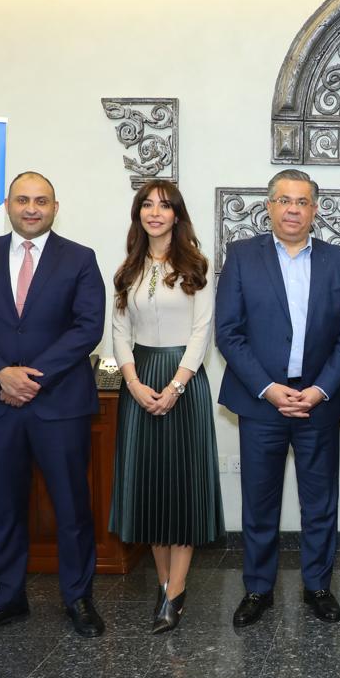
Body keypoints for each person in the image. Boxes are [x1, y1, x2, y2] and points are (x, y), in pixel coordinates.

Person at [0, 171, 106, 638]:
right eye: (22, 200)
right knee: (7, 507)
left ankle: (78, 598)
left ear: (55, 207)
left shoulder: (79, 258)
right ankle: (8, 598)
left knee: (71, 507)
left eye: (41, 200)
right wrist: (1, 373)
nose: (31, 208)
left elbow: (87, 326)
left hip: (59, 404)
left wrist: (31, 377)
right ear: (8, 206)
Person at [215, 169, 340, 627]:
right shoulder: (242, 255)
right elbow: (228, 331)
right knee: (260, 502)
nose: (293, 209)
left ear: (315, 210)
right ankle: (258, 589)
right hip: (261, 401)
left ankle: (317, 585)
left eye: (302, 202)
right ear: (269, 206)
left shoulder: (339, 260)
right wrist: (268, 388)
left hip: (318, 400)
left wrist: (319, 390)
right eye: (284, 200)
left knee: (319, 503)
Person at [109, 180, 224, 634]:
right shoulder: (127, 269)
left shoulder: (196, 266)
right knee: (150, 488)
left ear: (177, 215)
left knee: (182, 487)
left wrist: (176, 385)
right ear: (138, 213)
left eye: (164, 206)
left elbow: (202, 331)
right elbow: (119, 332)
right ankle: (163, 585)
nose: (155, 213)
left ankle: (177, 590)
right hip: (139, 381)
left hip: (185, 382)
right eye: (147, 205)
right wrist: (134, 383)